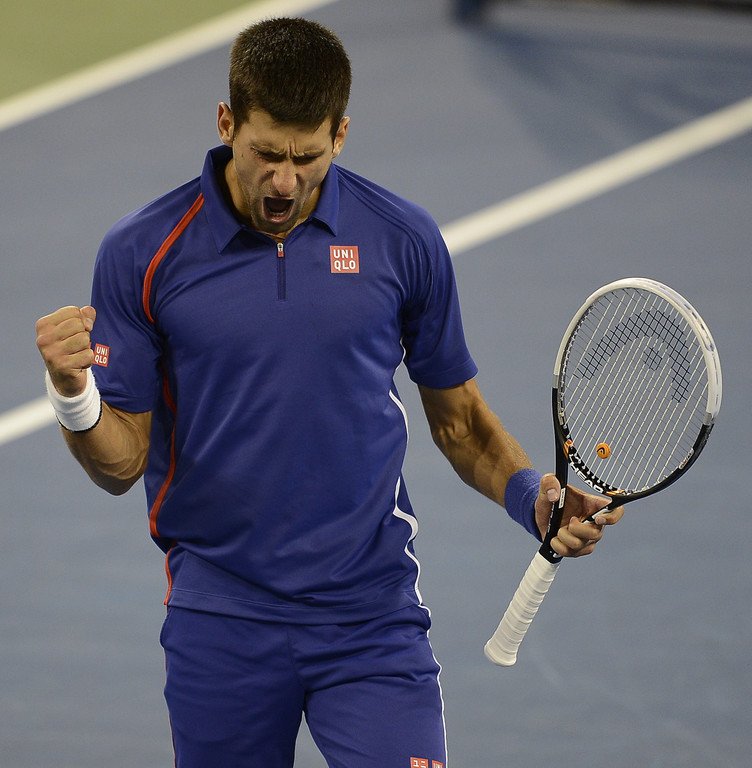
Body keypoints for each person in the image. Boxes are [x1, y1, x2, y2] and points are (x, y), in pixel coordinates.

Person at [35, 17, 623, 768]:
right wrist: (74, 395)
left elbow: (461, 424)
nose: (284, 181)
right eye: (265, 154)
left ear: (340, 135)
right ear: (226, 124)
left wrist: (529, 496)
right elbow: (121, 465)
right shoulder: (143, 252)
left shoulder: (404, 241)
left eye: (306, 157)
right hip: (222, 617)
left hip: (370, 615)